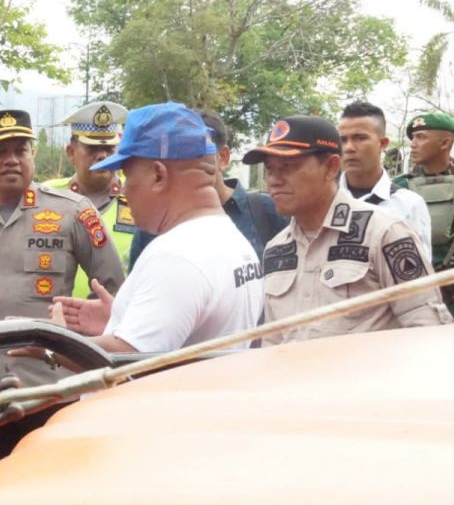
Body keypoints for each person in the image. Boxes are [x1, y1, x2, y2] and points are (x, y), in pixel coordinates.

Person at [0, 109, 124, 478]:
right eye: (0, 152)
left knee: (48, 492)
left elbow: (112, 288)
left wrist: (79, 349)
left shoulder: (72, 213)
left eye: (21, 150)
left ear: (33, 156)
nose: (12, 160)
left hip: (49, 389)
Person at [52, 103, 263, 357]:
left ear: (158, 175)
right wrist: (122, 320)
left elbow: (125, 364)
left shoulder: (178, 256)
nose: (126, 190)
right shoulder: (230, 239)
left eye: (129, 177)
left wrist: (55, 343)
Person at [244, 115, 451, 345]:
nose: (274, 180)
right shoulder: (277, 249)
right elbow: (273, 343)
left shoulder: (383, 233)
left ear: (331, 167)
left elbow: (428, 331)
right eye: (270, 169)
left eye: (288, 167)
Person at [128, 109, 288, 266]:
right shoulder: (153, 227)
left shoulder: (266, 212)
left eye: (197, 153)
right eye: (177, 154)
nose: (185, 163)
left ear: (223, 157)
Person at [46, 100, 134, 292]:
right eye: (92, 149)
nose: (102, 156)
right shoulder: (48, 197)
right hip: (55, 318)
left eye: (109, 149)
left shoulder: (139, 198)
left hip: (119, 317)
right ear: (71, 153)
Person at [394, 112, 454, 317]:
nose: (413, 144)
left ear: (445, 143)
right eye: (412, 138)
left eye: (421, 137)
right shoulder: (398, 187)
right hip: (413, 301)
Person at [337, 101, 431, 252]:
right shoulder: (322, 201)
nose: (349, 148)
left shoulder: (408, 205)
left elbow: (420, 272)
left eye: (360, 138)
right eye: (343, 140)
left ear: (382, 144)